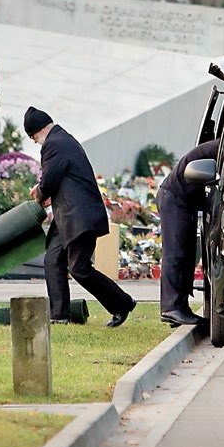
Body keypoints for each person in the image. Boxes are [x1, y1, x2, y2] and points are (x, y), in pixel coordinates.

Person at [25, 106, 136, 327]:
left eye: (34, 138)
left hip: (78, 217)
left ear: (37, 132)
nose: (36, 143)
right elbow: (62, 180)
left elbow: (49, 181)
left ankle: (122, 303)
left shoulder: (53, 145)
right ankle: (59, 316)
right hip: (69, 216)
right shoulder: (64, 139)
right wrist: (47, 195)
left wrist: (38, 193)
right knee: (53, 260)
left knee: (79, 268)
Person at [156, 139, 220, 326]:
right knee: (176, 253)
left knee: (187, 254)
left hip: (185, 202)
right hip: (174, 197)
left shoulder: (223, 145)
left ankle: (181, 307)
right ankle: (171, 308)